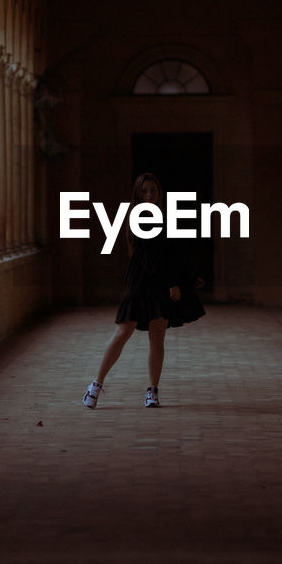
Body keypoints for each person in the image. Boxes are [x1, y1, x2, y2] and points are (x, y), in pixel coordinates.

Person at [82, 172, 205, 408]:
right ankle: (95, 385)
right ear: (138, 194)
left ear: (159, 193)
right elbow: (149, 256)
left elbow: (171, 253)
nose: (150, 194)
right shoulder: (136, 216)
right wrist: (172, 283)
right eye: (145, 190)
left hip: (160, 284)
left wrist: (187, 277)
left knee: (157, 338)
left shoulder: (165, 217)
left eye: (154, 190)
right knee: (122, 333)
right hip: (140, 282)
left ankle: (153, 391)